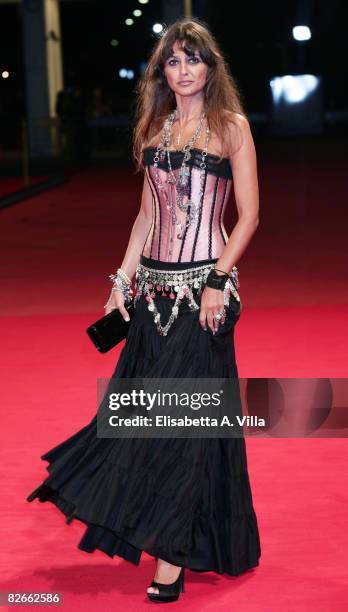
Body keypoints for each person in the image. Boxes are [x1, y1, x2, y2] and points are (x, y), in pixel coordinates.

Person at [27, 17, 261, 603]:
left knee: (181, 428)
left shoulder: (230, 127)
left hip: (202, 298)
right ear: (163, 71)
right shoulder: (155, 126)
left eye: (193, 59)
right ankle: (181, 537)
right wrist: (120, 281)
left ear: (211, 67)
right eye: (173, 61)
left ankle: (169, 560)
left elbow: (250, 216)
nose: (182, 70)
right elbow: (146, 216)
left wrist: (217, 280)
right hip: (152, 296)